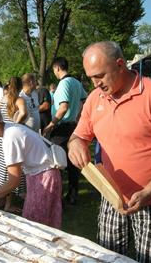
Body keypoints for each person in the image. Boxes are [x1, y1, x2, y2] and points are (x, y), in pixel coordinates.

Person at [68, 41, 151, 262]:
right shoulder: (95, 99)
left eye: (100, 76)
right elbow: (78, 136)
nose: (95, 84)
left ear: (120, 64)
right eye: (91, 77)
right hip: (111, 195)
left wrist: (149, 191)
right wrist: (75, 144)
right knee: (109, 257)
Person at [0, 106, 62, 228]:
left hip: (44, 177)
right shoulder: (10, 129)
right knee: (43, 222)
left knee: (36, 226)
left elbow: (14, 181)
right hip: (42, 174)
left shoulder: (10, 137)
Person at [43, 57, 87, 205]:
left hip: (61, 128)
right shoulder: (76, 82)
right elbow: (83, 102)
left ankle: (58, 197)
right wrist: (78, 117)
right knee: (73, 162)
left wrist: (50, 125)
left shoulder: (63, 84)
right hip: (73, 127)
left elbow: (63, 107)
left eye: (54, 70)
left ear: (57, 68)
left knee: (58, 163)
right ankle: (73, 195)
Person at [0, 77, 28, 213]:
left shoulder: (3, 99)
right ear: (20, 87)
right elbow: (24, 112)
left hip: (1, 137)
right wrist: (17, 124)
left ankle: (0, 200)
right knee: (12, 170)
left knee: (3, 169)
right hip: (12, 136)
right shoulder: (19, 100)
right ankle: (8, 204)